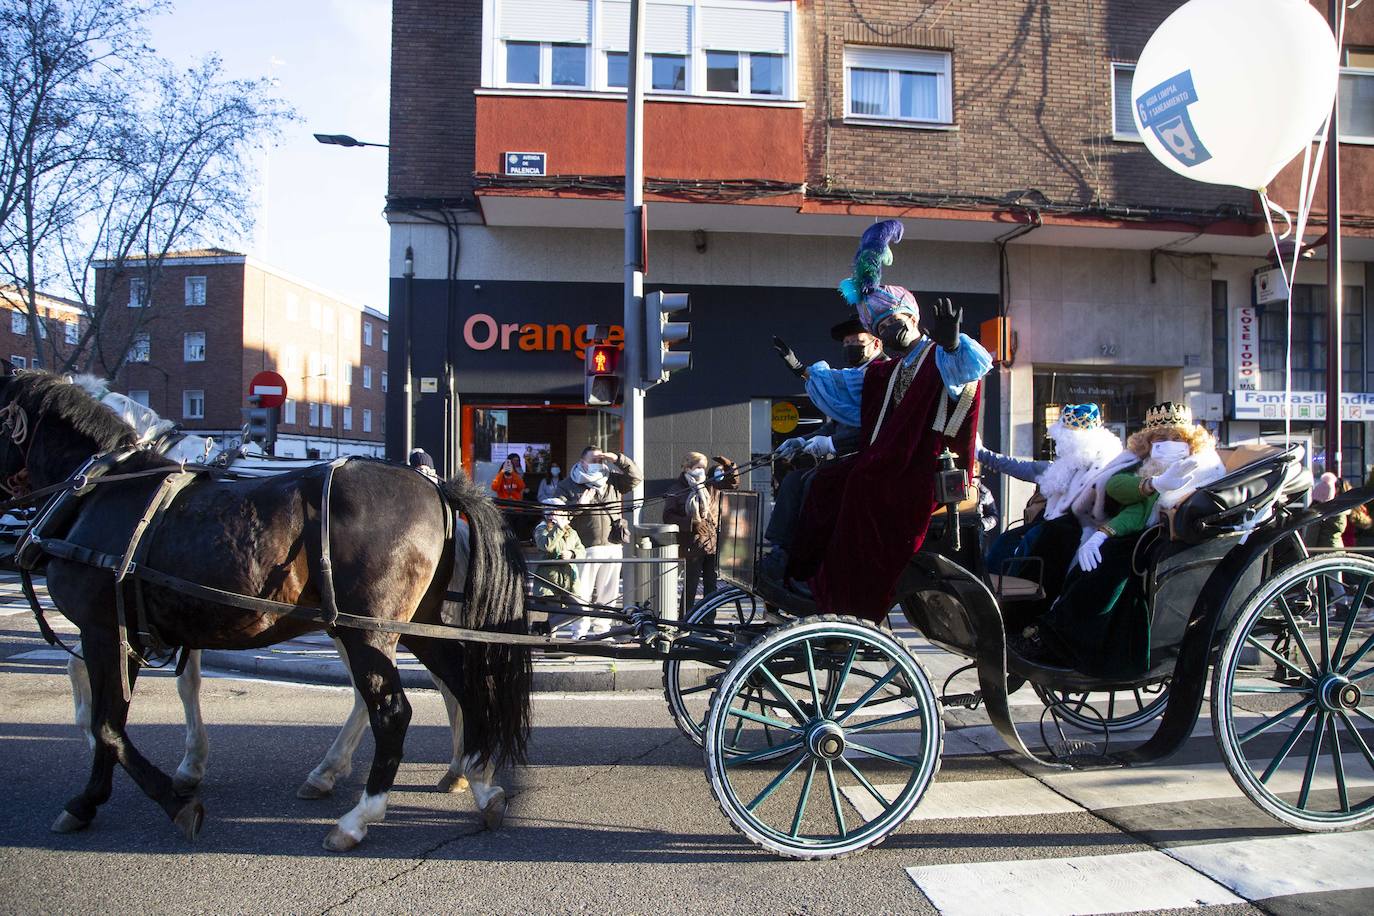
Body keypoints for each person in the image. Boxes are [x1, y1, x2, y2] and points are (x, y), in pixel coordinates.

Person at [775, 219, 993, 620]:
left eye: (892, 323)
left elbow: (969, 371)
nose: (888, 332)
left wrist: (952, 341)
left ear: (911, 317)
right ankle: (807, 573)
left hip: (925, 468)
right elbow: (849, 397)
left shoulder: (938, 356)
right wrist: (806, 374)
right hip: (890, 460)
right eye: (880, 328)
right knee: (827, 480)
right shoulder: (888, 370)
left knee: (862, 483)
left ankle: (849, 595)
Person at [1019, 401, 1225, 677]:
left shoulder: (1200, 465)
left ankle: (1069, 640)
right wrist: (1105, 532)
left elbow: (1150, 511)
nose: (1170, 444)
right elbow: (1121, 492)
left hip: (1171, 542)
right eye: (1161, 439)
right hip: (1139, 534)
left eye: (1177, 438)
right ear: (1150, 443)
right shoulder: (1146, 465)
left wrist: (1107, 533)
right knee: (1077, 558)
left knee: (1106, 572)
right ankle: (1044, 625)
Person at [978, 404, 1126, 609]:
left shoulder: (1107, 469)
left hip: (1080, 537)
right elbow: (1022, 467)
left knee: (1034, 547)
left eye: (1065, 440)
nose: (1059, 446)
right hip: (1053, 530)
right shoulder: (1060, 467)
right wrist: (982, 454)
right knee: (1007, 542)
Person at [556, 446, 644, 637]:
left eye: (601, 460)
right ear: (582, 462)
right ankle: (578, 632)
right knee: (581, 594)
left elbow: (636, 477)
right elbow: (558, 514)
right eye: (594, 460)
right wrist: (579, 506)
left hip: (612, 545)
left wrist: (617, 458)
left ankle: (602, 631)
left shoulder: (612, 479)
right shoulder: (569, 484)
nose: (599, 464)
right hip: (584, 547)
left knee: (608, 593)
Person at [662, 451, 740, 614]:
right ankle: (686, 618)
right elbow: (668, 516)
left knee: (711, 584)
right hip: (691, 542)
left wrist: (729, 466)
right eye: (698, 467)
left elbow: (732, 484)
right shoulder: (677, 489)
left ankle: (708, 619)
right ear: (688, 468)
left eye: (704, 467)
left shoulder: (709, 485)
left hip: (711, 541)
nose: (702, 471)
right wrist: (691, 523)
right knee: (690, 584)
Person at [532, 496, 584, 601]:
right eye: (554, 512)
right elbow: (545, 546)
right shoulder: (541, 529)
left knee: (573, 614)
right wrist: (559, 528)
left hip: (570, 582)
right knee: (554, 615)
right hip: (548, 583)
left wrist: (572, 553)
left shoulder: (571, 532)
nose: (562, 515)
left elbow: (582, 550)